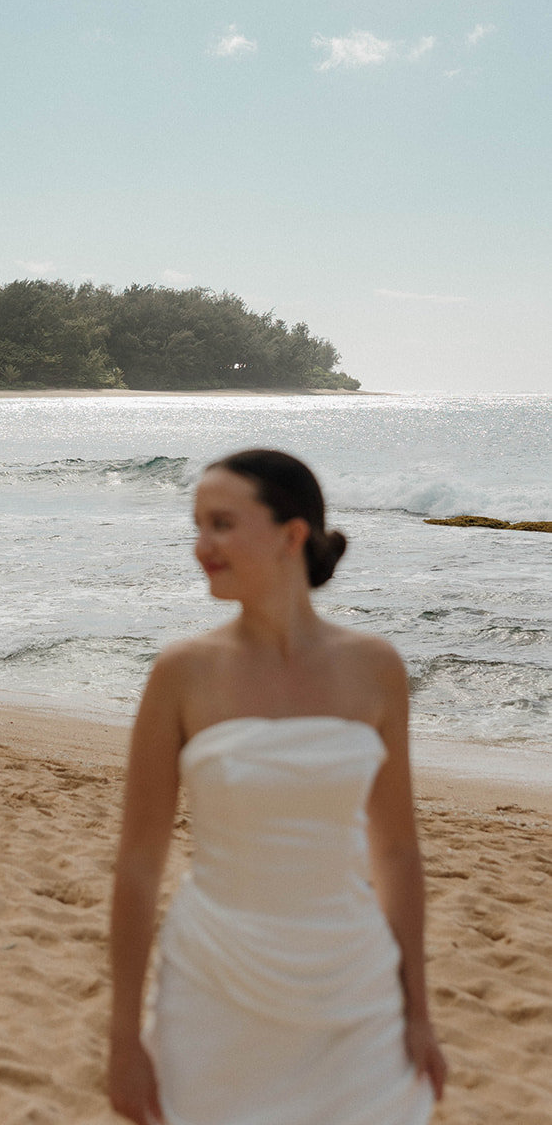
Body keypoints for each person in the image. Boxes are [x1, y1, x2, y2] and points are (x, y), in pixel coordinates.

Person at [108, 448, 445, 1125]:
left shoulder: (374, 668)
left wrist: (417, 1009)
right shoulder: (182, 672)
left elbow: (397, 853)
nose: (201, 547)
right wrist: (121, 1035)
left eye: (222, 525)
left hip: (353, 986)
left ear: (292, 535)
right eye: (197, 526)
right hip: (215, 983)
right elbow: (139, 863)